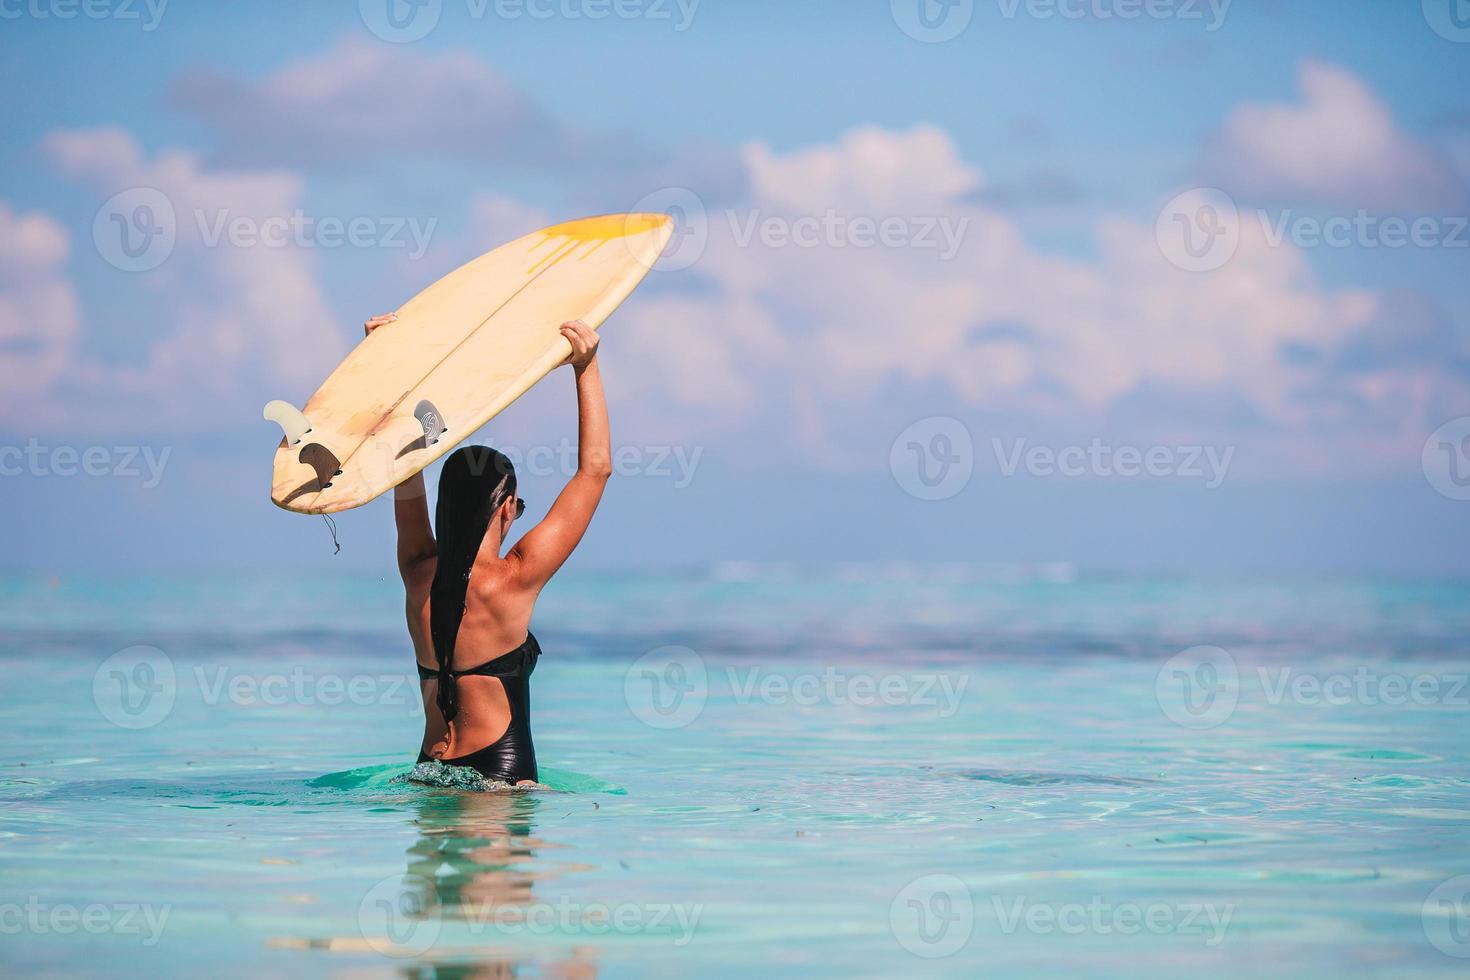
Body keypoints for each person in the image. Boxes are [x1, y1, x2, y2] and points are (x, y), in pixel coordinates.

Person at [364, 313, 611, 787]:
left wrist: (385, 363)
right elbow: (594, 471)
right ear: (507, 509)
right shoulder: (515, 578)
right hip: (499, 772)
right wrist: (587, 366)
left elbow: (404, 464)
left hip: (428, 768)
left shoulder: (417, 571)